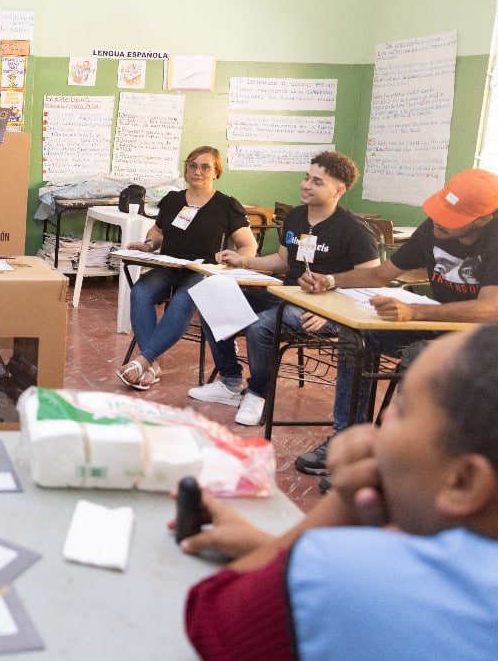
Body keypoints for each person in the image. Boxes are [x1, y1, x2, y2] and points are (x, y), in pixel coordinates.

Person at [178, 325, 498, 661]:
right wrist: (267, 546)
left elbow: (211, 617)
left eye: (402, 410)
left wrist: (343, 504)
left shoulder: (343, 578)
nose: (383, 416)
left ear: (463, 482)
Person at [294, 167, 498, 476]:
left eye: (452, 219)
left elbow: (490, 310)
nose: (440, 223)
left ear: (484, 219)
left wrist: (414, 312)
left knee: (419, 355)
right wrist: (331, 280)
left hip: (486, 340)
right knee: (355, 335)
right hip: (443, 325)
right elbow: (380, 274)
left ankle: (397, 458)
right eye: (441, 211)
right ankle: (351, 441)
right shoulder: (433, 228)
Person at [188, 151, 379, 426]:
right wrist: (242, 260)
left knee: (262, 326)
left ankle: (257, 393)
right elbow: (282, 261)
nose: (306, 185)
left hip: (325, 310)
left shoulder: (353, 229)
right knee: (210, 296)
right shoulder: (297, 217)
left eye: (317, 182)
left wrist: (332, 311)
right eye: (306, 177)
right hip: (287, 294)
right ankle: (230, 381)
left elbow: (371, 279)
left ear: (339, 190)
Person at [116, 146, 257, 390]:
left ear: (216, 172)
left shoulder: (226, 205)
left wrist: (233, 263)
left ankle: (143, 360)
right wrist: (147, 245)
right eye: (192, 165)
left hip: (203, 271)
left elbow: (248, 246)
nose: (197, 171)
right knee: (140, 292)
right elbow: (158, 231)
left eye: (205, 167)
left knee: (183, 300)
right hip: (170, 265)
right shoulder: (172, 200)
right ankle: (154, 365)